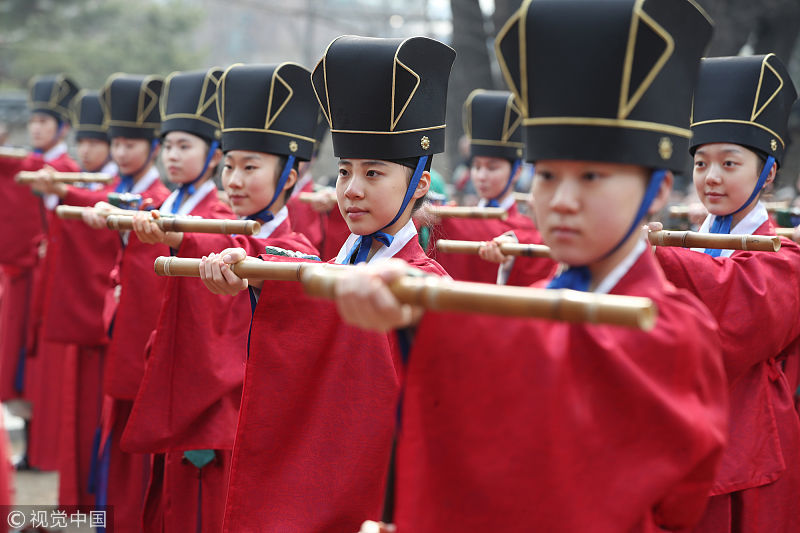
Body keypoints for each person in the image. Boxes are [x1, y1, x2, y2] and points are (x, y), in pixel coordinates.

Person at [334, 1, 729, 531]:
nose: (561, 201)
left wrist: (424, 315)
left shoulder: (674, 330)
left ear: (657, 190)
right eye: (546, 177)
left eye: (591, 177)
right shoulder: (527, 308)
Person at [197, 35, 455, 532]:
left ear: (420, 183)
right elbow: (297, 279)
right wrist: (249, 275)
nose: (352, 190)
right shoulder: (320, 267)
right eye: (344, 172)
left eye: (374, 172)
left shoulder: (431, 288)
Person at [121, 63, 318, 533]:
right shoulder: (212, 232)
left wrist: (178, 242)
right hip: (194, 402)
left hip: (243, 427)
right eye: (228, 165)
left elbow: (253, 261)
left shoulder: (297, 253)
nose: (233, 180)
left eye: (251, 167)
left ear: (289, 175)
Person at [650, 54, 800, 532]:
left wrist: (652, 257)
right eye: (700, 162)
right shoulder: (688, 238)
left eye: (729, 163)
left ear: (768, 172)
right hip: (678, 434)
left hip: (747, 444)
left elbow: (736, 309)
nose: (711, 176)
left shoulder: (785, 259)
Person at [78, 73, 170, 532]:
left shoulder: (161, 201)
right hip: (125, 325)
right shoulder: (140, 193)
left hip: (148, 335)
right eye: (117, 142)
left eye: (132, 143)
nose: (120, 152)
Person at [0, 74, 80, 472]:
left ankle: (47, 450)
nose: (36, 128)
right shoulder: (32, 164)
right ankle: (31, 448)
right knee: (18, 360)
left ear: (62, 128)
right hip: (24, 275)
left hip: (50, 280)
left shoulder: (64, 169)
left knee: (43, 364)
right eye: (33, 121)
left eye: (45, 122)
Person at [428, 88, 554, 284]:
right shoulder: (450, 218)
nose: (481, 176)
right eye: (476, 167)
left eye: (492, 168)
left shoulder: (528, 230)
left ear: (517, 172)